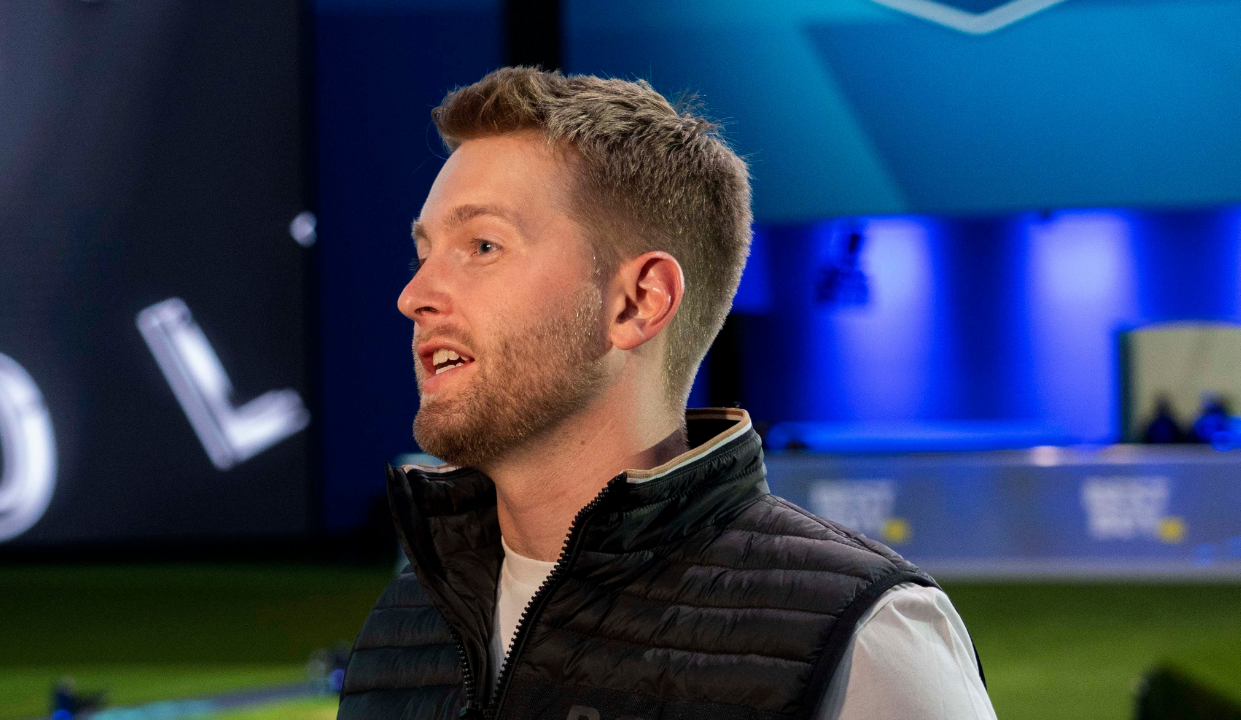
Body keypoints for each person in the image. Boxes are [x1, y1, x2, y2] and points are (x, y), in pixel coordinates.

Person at [338, 67, 996, 720]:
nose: (414, 296)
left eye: (482, 245)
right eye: (424, 251)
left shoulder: (861, 639)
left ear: (638, 303)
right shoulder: (405, 628)